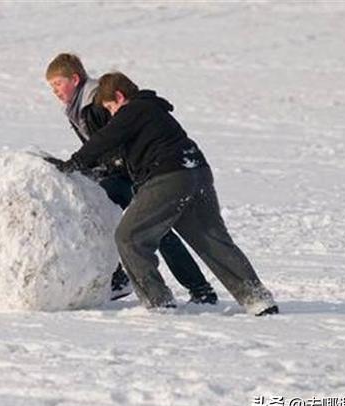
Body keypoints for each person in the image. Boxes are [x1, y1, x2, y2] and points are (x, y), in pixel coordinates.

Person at [50, 71, 278, 316]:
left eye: (110, 107)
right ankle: (258, 299)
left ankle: (158, 302)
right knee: (212, 239)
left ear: (119, 96)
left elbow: (105, 138)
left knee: (129, 237)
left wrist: (72, 164)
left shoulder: (133, 110)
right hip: (196, 170)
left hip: (168, 177)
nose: (111, 114)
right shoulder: (153, 110)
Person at [45, 53, 218, 304]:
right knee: (113, 218)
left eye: (58, 84)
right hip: (120, 173)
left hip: (134, 174)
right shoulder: (77, 107)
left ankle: (196, 289)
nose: (55, 92)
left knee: (153, 230)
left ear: (74, 78)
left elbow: (115, 139)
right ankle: (129, 279)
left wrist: (81, 165)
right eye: (51, 87)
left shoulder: (95, 102)